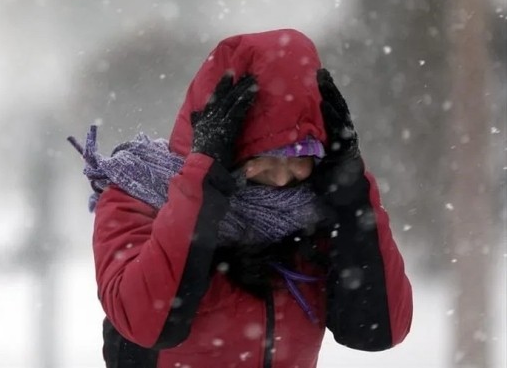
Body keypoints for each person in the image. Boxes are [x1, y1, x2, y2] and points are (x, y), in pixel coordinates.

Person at [68, 29, 412, 368]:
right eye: (262, 158)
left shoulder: (314, 214)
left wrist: (352, 194)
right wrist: (202, 184)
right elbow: (146, 322)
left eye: (298, 158)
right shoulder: (138, 194)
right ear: (227, 147)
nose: (281, 178)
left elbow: (377, 331)